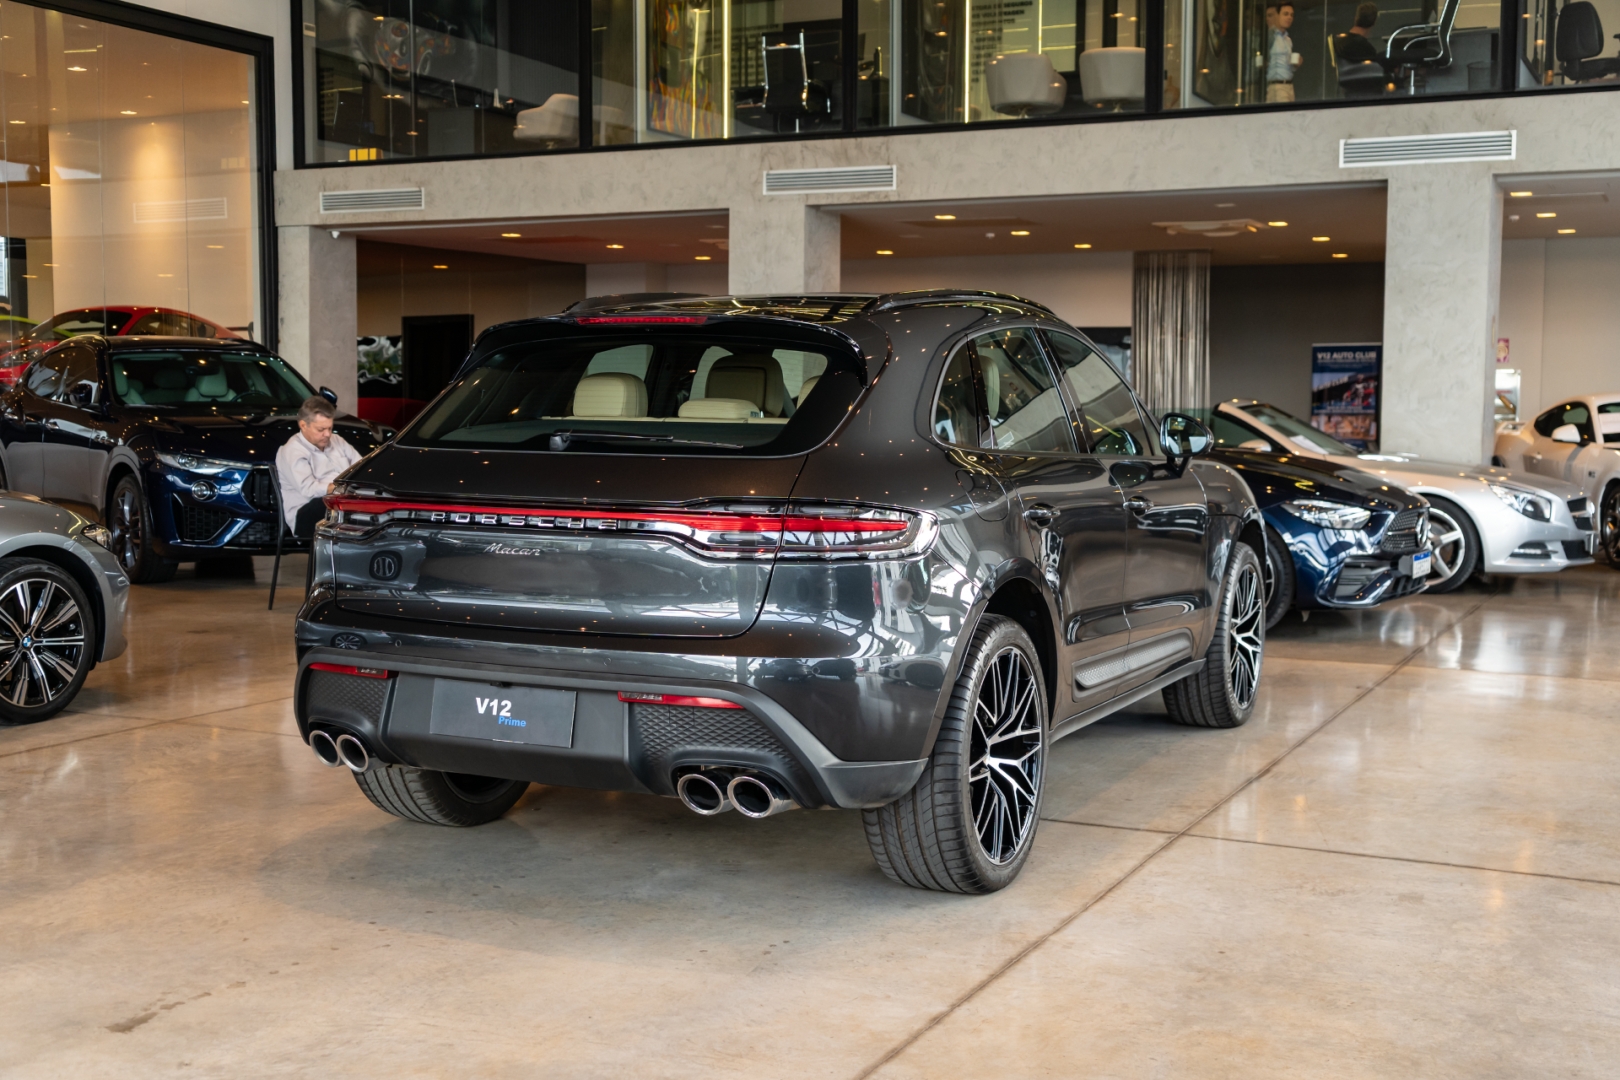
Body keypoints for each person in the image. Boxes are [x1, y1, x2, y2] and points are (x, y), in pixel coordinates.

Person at [276, 395, 361, 538]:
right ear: (303, 425)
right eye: (321, 429)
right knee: (335, 504)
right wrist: (341, 488)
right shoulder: (292, 450)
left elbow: (360, 466)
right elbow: (309, 490)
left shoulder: (337, 440)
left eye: (330, 428)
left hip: (340, 501)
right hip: (306, 512)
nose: (327, 434)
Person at [1264, 0, 1301, 103]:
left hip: (1289, 85)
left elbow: (1287, 66)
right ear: (1277, 15)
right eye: (1285, 14)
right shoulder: (1270, 36)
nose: (1289, 17)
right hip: (1277, 86)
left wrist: (1295, 65)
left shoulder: (1288, 40)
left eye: (1291, 15)